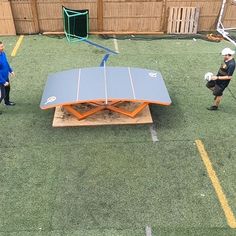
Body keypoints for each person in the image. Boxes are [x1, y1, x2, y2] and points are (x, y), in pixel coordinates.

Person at [0, 41, 15, 107]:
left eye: (2, 46)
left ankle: (6, 102)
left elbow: (6, 63)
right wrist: (3, 81)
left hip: (5, 77)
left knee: (7, 89)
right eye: (1, 47)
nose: (3, 48)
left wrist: (10, 70)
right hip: (1, 80)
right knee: (2, 95)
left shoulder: (3, 53)